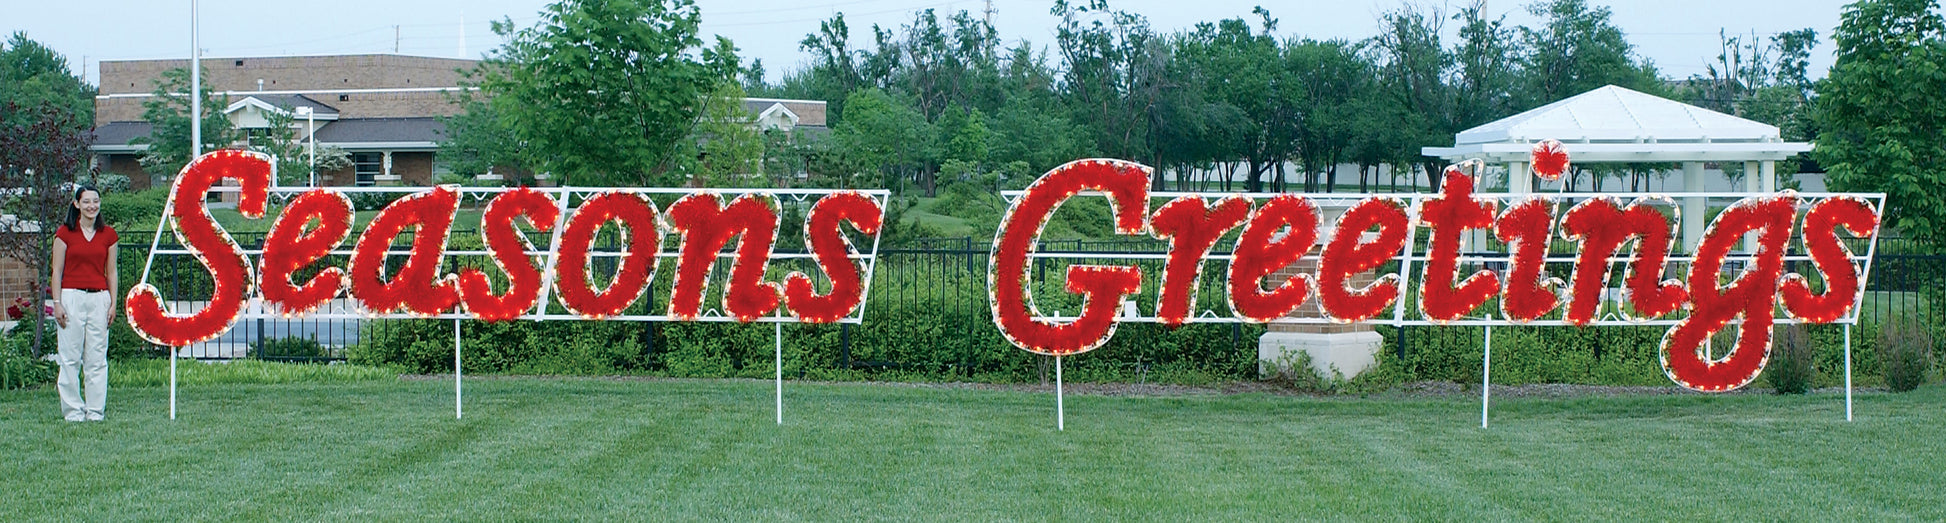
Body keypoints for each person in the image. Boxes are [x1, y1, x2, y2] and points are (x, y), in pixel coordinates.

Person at [50, 184, 117, 422]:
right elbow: (56, 271)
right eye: (86, 201)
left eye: (95, 201)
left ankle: (95, 411)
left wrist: (112, 303)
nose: (92, 206)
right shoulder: (65, 233)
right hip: (71, 297)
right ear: (77, 204)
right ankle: (73, 412)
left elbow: (111, 272)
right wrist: (56, 302)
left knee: (97, 358)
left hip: (99, 298)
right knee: (69, 356)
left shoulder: (108, 235)